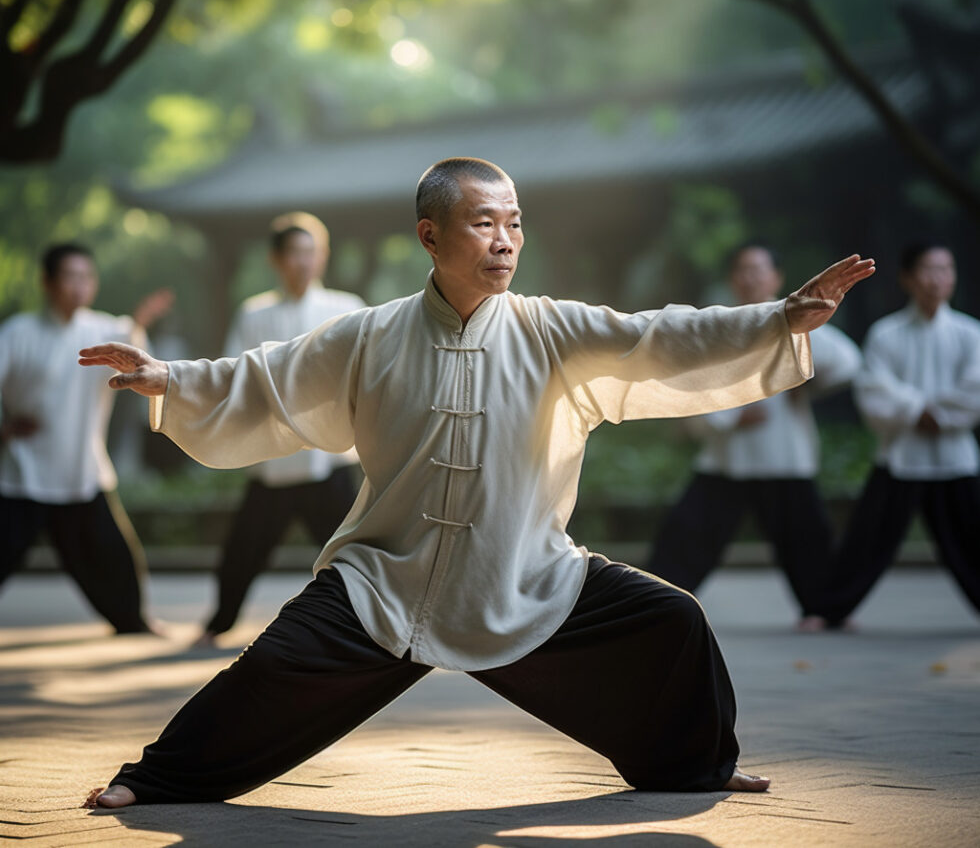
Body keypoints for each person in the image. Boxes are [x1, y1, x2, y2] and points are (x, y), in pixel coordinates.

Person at [79, 158, 874, 807]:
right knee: (269, 670)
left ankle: (695, 766)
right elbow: (262, 377)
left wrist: (775, 321)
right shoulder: (369, 333)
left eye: (515, 222)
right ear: (431, 234)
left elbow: (657, 337)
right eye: (483, 222)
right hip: (386, 577)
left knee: (672, 620)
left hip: (522, 573)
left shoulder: (549, 327)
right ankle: (156, 779)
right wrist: (169, 377)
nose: (505, 240)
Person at [647, 244, 862, 630]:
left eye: (760, 269)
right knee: (685, 537)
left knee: (806, 540)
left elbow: (847, 361)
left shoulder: (795, 319)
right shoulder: (721, 324)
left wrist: (808, 380)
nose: (752, 277)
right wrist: (731, 419)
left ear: (776, 278)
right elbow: (690, 387)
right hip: (728, 458)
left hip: (783, 456)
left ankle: (822, 610)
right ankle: (649, 608)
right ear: (733, 279)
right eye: (743, 270)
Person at [193, 213, 365, 648]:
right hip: (274, 460)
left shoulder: (347, 308)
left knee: (354, 550)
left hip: (327, 457)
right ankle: (219, 621)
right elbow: (234, 374)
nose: (304, 262)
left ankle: (372, 620)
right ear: (276, 259)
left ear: (323, 256)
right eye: (294, 253)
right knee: (242, 550)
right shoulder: (255, 313)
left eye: (311, 252)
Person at [0, 243, 172, 633]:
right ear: (47, 282)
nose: (79, 286)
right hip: (22, 474)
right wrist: (5, 429)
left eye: (86, 277)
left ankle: (134, 621)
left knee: (114, 557)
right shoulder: (16, 334)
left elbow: (144, 359)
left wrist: (139, 327)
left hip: (82, 470)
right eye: (69, 277)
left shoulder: (106, 331)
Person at [822, 243, 980, 624]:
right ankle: (830, 612)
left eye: (946, 269)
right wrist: (917, 411)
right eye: (927, 269)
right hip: (900, 453)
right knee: (867, 540)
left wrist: (936, 415)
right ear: (907, 278)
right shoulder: (886, 334)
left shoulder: (970, 332)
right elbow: (873, 388)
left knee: (974, 543)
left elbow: (976, 387)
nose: (937, 279)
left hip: (954, 455)